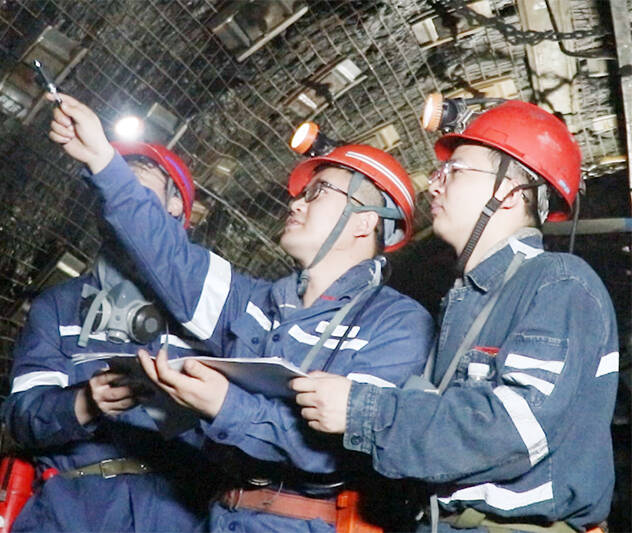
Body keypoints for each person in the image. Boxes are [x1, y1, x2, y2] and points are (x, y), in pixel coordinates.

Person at [47, 92, 435, 532]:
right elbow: (169, 256)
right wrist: (102, 160)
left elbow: (338, 453)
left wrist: (224, 404)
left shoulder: (396, 324)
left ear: (365, 221)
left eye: (317, 193)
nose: (296, 203)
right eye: (301, 193)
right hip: (223, 518)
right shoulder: (255, 303)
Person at [291, 100, 619, 532]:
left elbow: (515, 430)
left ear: (508, 194)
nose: (434, 184)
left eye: (455, 171)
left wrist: (363, 411)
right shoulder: (467, 300)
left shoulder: (557, 282)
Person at [0, 141, 220, 532]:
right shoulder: (59, 307)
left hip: (177, 512)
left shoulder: (210, 311)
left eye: (134, 191)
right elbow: (21, 415)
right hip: (72, 513)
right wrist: (83, 403)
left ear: (175, 206)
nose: (119, 202)